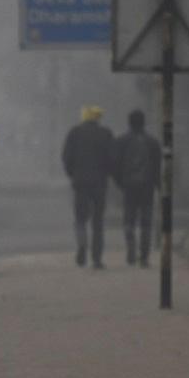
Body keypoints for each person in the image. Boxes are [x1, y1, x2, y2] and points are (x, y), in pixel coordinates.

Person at [61, 104, 114, 268]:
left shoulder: (74, 133)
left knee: (80, 218)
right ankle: (97, 258)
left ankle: (82, 245)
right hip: (99, 183)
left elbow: (66, 157)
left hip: (80, 182)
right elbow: (112, 158)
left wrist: (72, 174)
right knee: (98, 222)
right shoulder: (106, 134)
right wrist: (107, 174)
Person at [112, 109, 162, 267]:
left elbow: (115, 165)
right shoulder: (153, 142)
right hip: (147, 186)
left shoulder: (121, 141)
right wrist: (158, 185)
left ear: (129, 122)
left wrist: (120, 182)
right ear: (143, 122)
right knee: (146, 222)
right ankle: (144, 257)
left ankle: (131, 248)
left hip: (129, 186)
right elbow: (158, 166)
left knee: (129, 219)